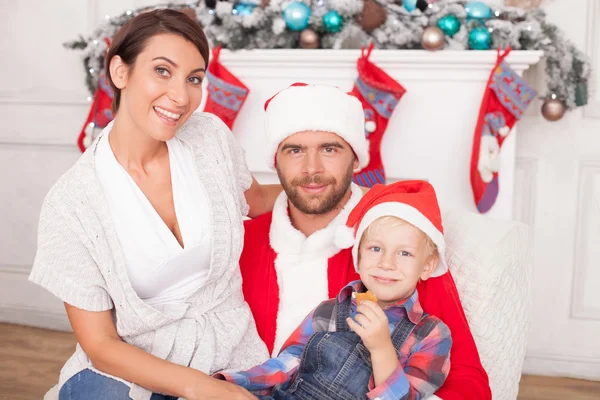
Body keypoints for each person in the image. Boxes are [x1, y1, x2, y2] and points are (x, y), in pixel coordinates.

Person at [28, 9, 280, 400]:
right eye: (162, 71)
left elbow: (256, 199)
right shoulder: (71, 204)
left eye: (194, 79)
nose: (181, 97)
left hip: (231, 356)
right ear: (120, 72)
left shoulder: (209, 139)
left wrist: (330, 190)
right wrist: (202, 390)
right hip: (132, 368)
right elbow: (101, 345)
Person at [240, 83, 492, 399]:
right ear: (276, 161)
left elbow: (468, 382)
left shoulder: (396, 244)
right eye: (295, 150)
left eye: (329, 149)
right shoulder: (241, 243)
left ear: (356, 160)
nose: (312, 169)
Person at [220, 180, 453, 399]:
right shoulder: (329, 311)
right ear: (358, 257)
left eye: (404, 253)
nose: (386, 263)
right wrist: (230, 383)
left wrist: (382, 349)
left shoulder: (431, 335)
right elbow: (287, 364)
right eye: (375, 249)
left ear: (427, 266)